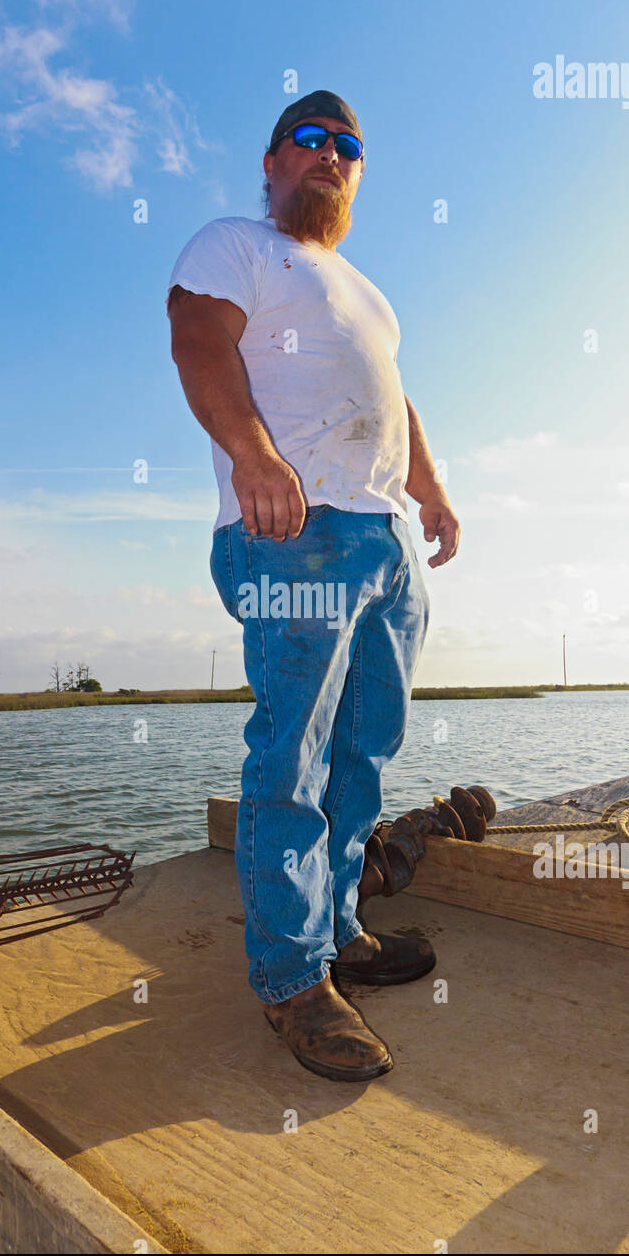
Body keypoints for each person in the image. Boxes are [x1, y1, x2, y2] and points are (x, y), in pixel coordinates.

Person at [166, 90, 460, 1082]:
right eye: (312, 140)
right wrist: (253, 455)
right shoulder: (236, 245)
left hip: (380, 541)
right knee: (292, 746)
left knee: (364, 743)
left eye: (349, 147)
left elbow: (397, 402)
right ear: (273, 159)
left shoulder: (369, 294)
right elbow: (198, 341)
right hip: (290, 527)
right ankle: (291, 981)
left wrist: (434, 496)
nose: (332, 156)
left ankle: (338, 937)